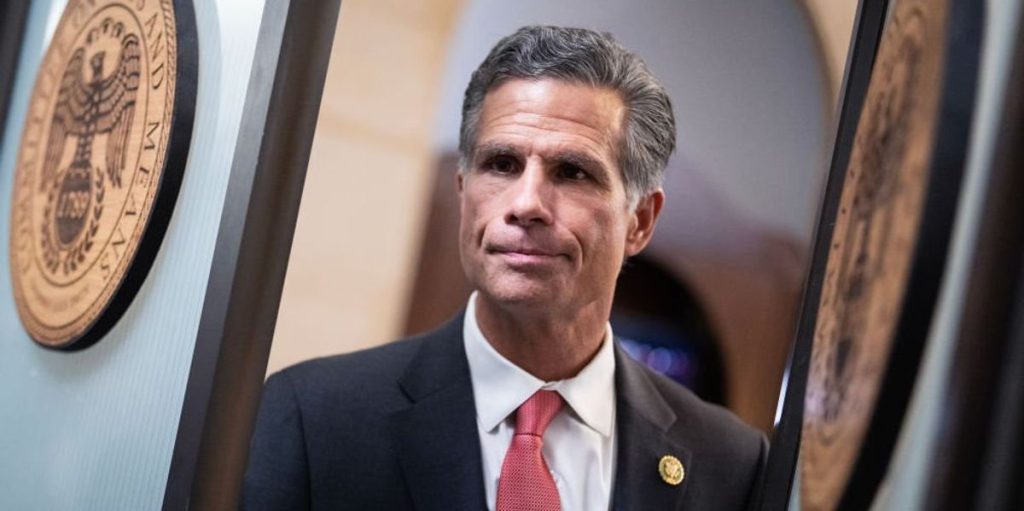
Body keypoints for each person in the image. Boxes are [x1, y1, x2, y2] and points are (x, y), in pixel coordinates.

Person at [242, 25, 766, 511]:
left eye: (572, 172)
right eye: (501, 164)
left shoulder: (731, 464)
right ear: (464, 192)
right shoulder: (313, 419)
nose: (525, 203)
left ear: (640, 221)